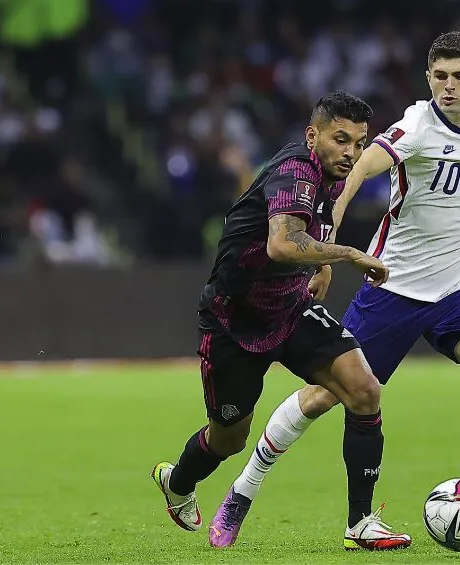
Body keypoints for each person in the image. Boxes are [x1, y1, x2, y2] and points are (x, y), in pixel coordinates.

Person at [212, 31, 460, 550]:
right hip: (394, 287)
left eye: (458, 76)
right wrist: (331, 223)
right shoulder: (417, 127)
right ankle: (242, 493)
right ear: (428, 79)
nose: (447, 86)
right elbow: (362, 165)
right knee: (321, 398)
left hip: (454, 289)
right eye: (439, 76)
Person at [150, 92, 396, 546]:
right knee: (229, 440)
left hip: (291, 307)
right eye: (341, 140)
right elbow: (282, 244)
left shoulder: (331, 174)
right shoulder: (295, 171)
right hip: (234, 321)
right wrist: (347, 255)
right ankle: (178, 482)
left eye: (359, 144)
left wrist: (319, 263)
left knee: (364, 390)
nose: (351, 153)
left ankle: (360, 522)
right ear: (312, 135)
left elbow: (311, 228)